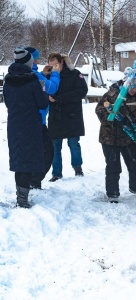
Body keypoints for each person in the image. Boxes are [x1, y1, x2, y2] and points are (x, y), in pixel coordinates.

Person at [3, 46, 48, 208]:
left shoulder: (8, 79)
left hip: (14, 124)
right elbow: (42, 104)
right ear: (28, 63)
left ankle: (20, 196)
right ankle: (22, 200)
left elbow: (8, 102)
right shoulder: (32, 80)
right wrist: (42, 91)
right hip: (30, 125)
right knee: (28, 160)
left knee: (18, 159)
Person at [95, 68, 136, 200]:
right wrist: (111, 120)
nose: (134, 89)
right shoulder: (112, 94)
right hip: (110, 137)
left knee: (135, 163)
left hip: (130, 137)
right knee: (113, 166)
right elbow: (99, 110)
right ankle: (112, 193)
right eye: (132, 86)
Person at [47, 52, 88, 182]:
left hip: (72, 115)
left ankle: (77, 167)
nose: (54, 68)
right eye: (51, 66)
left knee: (73, 144)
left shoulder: (74, 74)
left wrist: (61, 99)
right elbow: (41, 90)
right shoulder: (48, 76)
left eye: (56, 65)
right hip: (55, 116)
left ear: (62, 63)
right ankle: (56, 173)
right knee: (55, 146)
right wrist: (47, 98)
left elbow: (82, 91)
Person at [25, 46, 61, 189]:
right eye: (37, 58)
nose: (39, 60)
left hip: (30, 121)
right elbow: (51, 87)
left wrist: (43, 74)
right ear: (31, 59)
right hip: (37, 121)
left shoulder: (31, 73)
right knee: (47, 152)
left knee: (35, 152)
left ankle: (32, 181)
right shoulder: (33, 74)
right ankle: (34, 181)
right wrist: (55, 74)